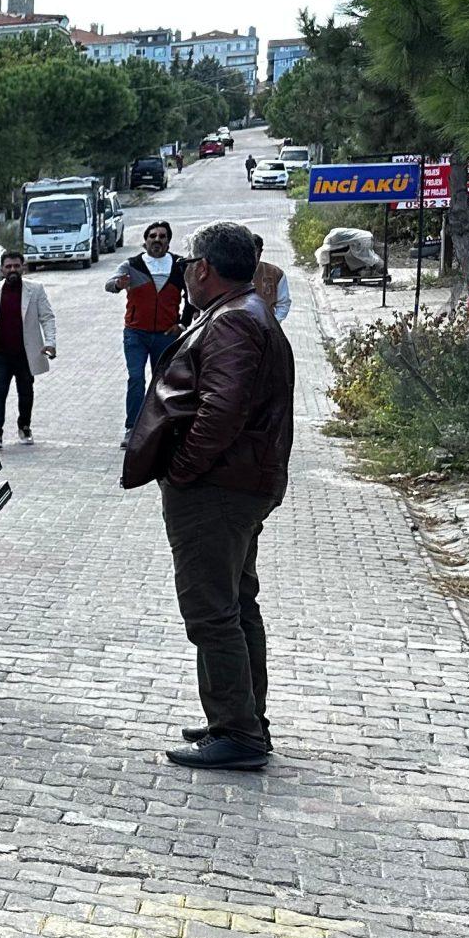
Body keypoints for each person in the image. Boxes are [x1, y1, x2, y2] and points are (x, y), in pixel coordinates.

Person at [123, 221, 294, 771]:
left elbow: (222, 409)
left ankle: (238, 733)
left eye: (190, 265)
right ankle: (241, 715)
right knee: (237, 604)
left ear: (203, 269)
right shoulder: (246, 313)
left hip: (219, 489)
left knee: (213, 611)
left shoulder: (233, 323)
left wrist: (183, 470)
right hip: (240, 483)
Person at [105, 220, 189, 448]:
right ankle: (132, 428)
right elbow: (110, 284)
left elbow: (191, 297)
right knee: (136, 378)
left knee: (163, 381)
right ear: (145, 241)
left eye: (162, 236)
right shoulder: (133, 265)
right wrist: (118, 284)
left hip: (166, 335)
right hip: (136, 334)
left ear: (168, 241)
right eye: (153, 236)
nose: (157, 240)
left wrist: (182, 324)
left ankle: (162, 428)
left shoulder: (179, 265)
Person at [0, 248, 57, 449]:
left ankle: (25, 426)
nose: (12, 270)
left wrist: (50, 342)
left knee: (26, 391)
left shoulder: (35, 289)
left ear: (23, 268)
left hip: (25, 353)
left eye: (16, 266)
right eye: (8, 266)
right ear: (1, 270)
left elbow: (47, 317)